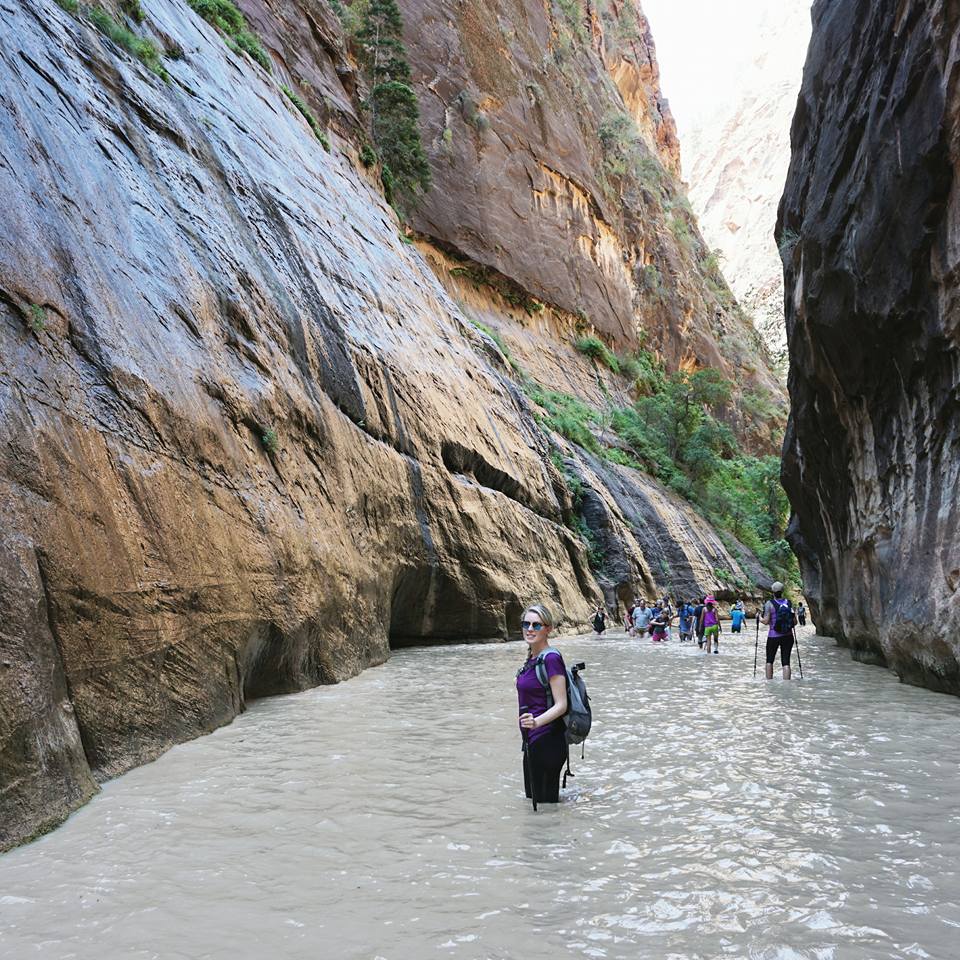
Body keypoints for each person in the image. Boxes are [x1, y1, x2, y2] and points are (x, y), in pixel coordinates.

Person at [516, 604, 569, 803]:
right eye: (526, 624)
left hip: (548, 741)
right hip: (532, 742)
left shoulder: (551, 658)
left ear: (548, 629)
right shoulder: (531, 658)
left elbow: (561, 704)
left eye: (537, 625)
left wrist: (536, 722)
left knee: (546, 809)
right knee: (535, 806)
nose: (530, 629)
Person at [762, 581, 796, 680]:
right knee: (786, 662)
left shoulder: (769, 604)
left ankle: (769, 683)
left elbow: (766, 621)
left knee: (769, 660)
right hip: (788, 636)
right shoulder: (789, 603)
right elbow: (795, 622)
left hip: (773, 636)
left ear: (773, 592)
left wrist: (759, 618)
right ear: (782, 591)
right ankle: (787, 684)